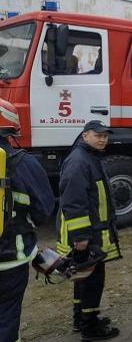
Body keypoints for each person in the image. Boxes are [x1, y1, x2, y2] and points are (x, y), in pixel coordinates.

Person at [56, 120, 121, 341]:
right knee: (92, 280)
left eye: (105, 136)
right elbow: (74, 201)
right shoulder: (80, 161)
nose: (103, 140)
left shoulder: (89, 157)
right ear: (85, 136)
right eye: (98, 135)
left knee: (82, 276)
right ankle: (90, 327)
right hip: (87, 235)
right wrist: (81, 235)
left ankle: (81, 319)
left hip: (90, 232)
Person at [0, 99, 55, 342]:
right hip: (12, 258)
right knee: (7, 315)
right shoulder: (23, 163)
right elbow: (43, 211)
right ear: (11, 128)